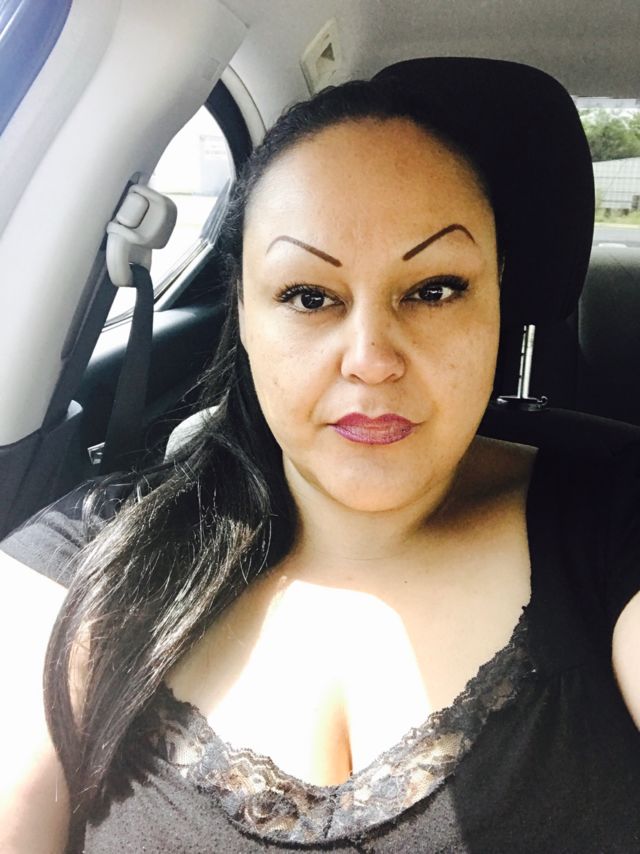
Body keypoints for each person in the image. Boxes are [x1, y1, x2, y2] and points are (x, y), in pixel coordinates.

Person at [1, 58, 640, 853]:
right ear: (243, 310)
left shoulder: (618, 516)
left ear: (499, 296)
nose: (371, 359)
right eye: (309, 296)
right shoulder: (81, 560)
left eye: (434, 288)